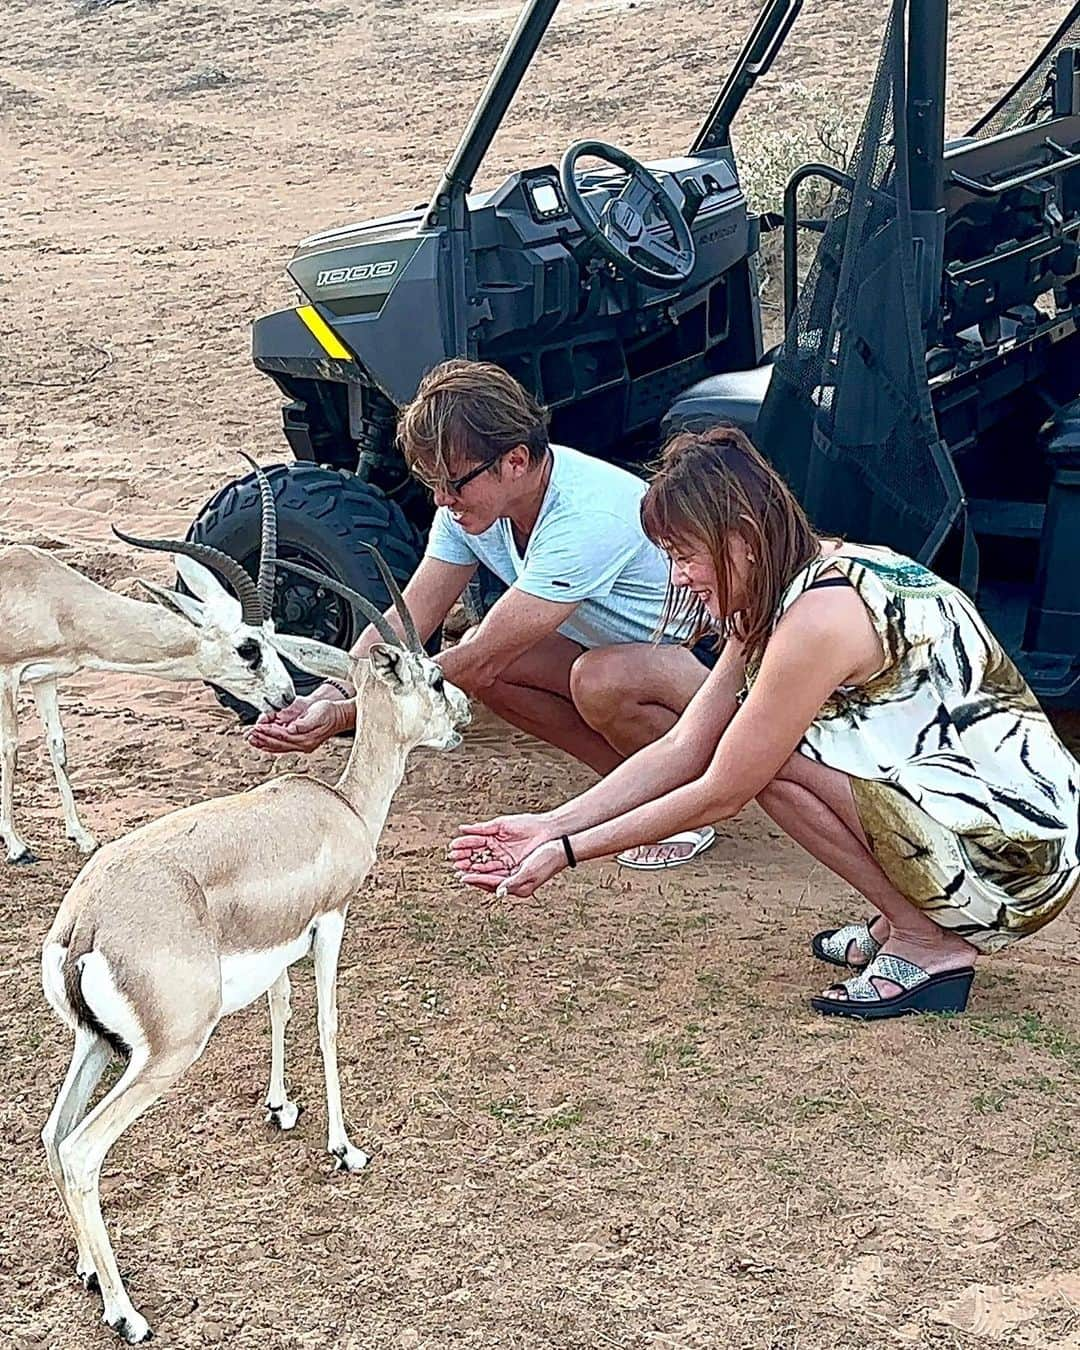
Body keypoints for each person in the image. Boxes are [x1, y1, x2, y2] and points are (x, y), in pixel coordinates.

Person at [449, 425, 1080, 1020]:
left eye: (685, 555)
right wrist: (548, 825)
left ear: (742, 539)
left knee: (768, 761)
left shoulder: (818, 619)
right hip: (992, 819)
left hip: (1021, 859)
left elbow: (722, 786)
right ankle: (910, 917)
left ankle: (927, 940)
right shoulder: (790, 583)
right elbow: (683, 746)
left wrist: (566, 853)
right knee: (758, 747)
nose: (677, 576)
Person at [249, 358, 715, 867]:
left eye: (455, 483)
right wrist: (329, 689)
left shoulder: (584, 517)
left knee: (592, 678)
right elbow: (410, 617)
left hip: (702, 659)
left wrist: (345, 712)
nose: (442, 499)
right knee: (498, 671)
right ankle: (632, 792)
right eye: (433, 484)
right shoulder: (475, 509)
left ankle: (681, 809)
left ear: (515, 461)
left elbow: (481, 656)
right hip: (626, 648)